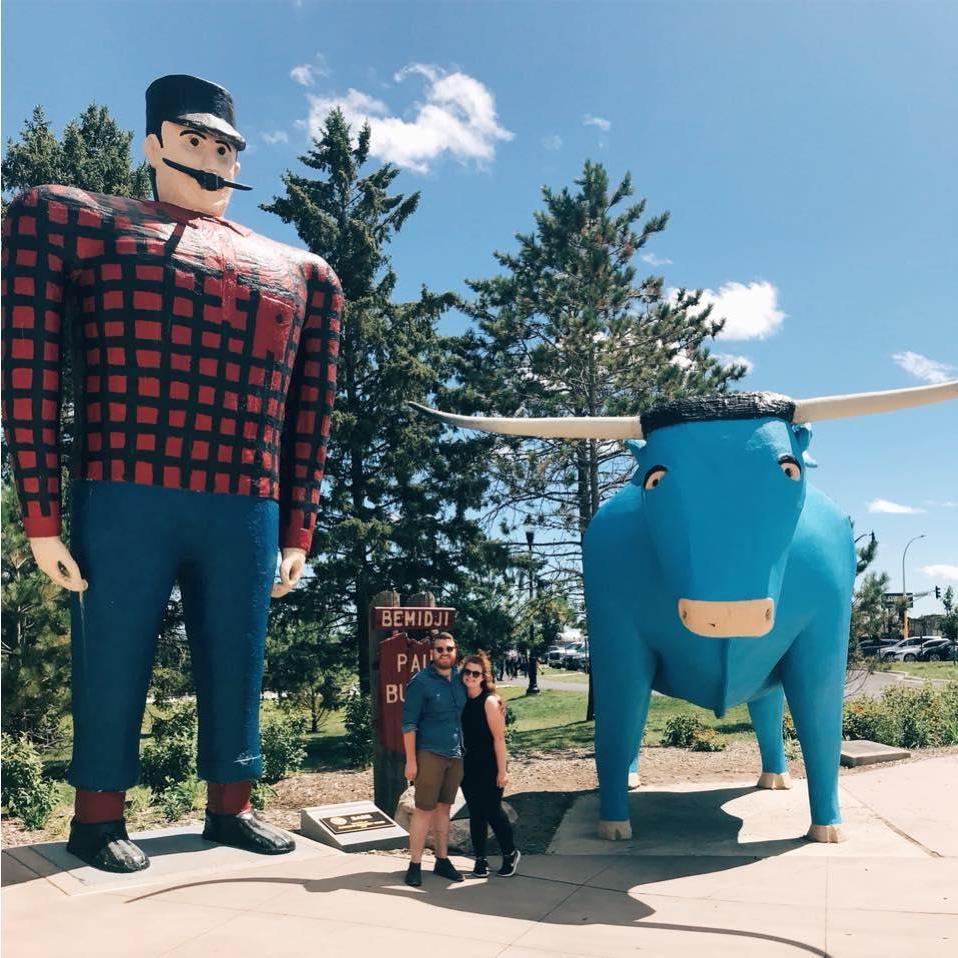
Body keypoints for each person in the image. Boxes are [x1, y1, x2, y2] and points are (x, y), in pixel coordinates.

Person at [1, 74, 342, 872]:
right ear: (154, 145)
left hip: (246, 498)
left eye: (224, 147)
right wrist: (41, 513)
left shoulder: (301, 273)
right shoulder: (75, 221)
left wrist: (298, 527)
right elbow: (29, 365)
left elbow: (311, 412)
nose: (213, 159)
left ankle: (233, 803)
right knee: (113, 650)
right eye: (195, 143)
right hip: (124, 484)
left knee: (239, 655)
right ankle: (98, 816)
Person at [400, 632, 467, 887]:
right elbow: (408, 724)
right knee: (423, 810)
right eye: (439, 649)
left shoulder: (461, 680)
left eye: (448, 648)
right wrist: (411, 761)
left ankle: (442, 859)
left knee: (444, 810)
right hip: (429, 754)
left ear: (455, 650)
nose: (444, 653)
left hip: (456, 754)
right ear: (432, 653)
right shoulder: (421, 682)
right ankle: (415, 864)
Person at [460, 652, 520, 877]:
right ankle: (480, 859)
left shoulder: (490, 702)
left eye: (476, 673)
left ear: (483, 676)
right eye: (467, 672)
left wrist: (502, 771)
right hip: (468, 765)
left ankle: (510, 853)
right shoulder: (461, 699)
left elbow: (499, 738)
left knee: (493, 811)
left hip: (490, 764)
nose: (470, 676)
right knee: (476, 813)